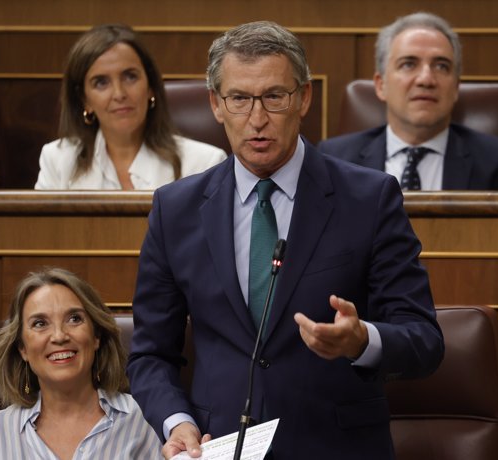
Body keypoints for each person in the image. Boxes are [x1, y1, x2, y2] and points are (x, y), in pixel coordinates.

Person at [127, 21, 444, 459]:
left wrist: (362, 340)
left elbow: (424, 340)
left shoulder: (369, 199)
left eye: (275, 96)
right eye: (240, 98)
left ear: (304, 99)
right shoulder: (175, 210)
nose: (257, 119)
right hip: (218, 448)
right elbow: (150, 355)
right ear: (216, 104)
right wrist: (177, 422)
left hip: (336, 448)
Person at [0, 267, 162, 459]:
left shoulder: (146, 421)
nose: (59, 336)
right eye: (40, 323)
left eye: (74, 319)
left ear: (96, 336)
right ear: (22, 348)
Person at [317, 12, 498, 191]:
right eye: (409, 64)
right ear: (381, 85)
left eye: (442, 66)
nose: (426, 79)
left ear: (455, 87)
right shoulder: (333, 160)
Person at [35, 24, 226, 190]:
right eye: (101, 82)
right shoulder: (57, 160)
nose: (119, 94)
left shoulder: (204, 164)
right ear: (85, 99)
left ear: (150, 87)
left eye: (130, 76)